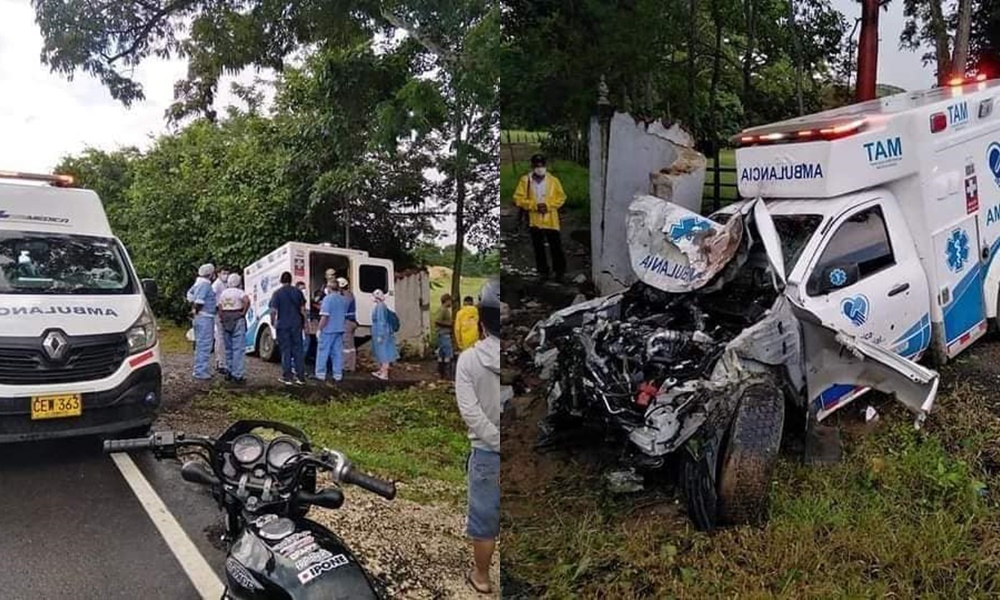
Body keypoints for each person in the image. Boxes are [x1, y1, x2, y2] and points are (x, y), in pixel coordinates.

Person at [455, 279, 504, 595]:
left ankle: (483, 578)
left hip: (486, 453)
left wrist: (496, 441)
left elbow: (470, 412)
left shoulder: (469, 361)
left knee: (485, 520)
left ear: (481, 321)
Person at [513, 153, 567, 283]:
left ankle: (559, 273)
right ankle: (543, 272)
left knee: (556, 247)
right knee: (539, 248)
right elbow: (518, 198)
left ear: (545, 166)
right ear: (532, 166)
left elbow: (562, 197)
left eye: (542, 165)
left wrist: (548, 206)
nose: (539, 168)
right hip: (534, 220)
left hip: (551, 220)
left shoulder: (553, 180)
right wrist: (534, 206)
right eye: (537, 165)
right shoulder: (525, 181)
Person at [269, 271, 307, 385]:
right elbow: (303, 310)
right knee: (298, 350)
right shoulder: (298, 292)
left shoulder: (277, 293)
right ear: (291, 280)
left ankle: (287, 377)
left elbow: (273, 310)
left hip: (283, 325)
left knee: (286, 351)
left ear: (281, 280)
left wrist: (273, 322)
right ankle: (300, 377)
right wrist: (305, 323)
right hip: (296, 324)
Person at [187, 263, 218, 380]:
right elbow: (199, 302)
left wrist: (193, 311)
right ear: (210, 274)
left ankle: (200, 369)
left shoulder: (197, 283)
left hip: (200, 317)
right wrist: (196, 310)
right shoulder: (205, 285)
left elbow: (189, 296)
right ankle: (201, 371)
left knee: (200, 344)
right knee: (205, 345)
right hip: (205, 317)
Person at [315, 280, 351, 382]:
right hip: (339, 329)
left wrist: (319, 329)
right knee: (337, 353)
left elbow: (325, 317)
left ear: (329, 288)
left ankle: (320, 374)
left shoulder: (327, 299)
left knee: (323, 352)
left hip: (328, 330)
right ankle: (338, 375)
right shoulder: (343, 300)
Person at [218, 272, 250, 384]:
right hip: (237, 317)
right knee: (238, 348)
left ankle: (229, 371)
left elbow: (220, 306)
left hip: (226, 318)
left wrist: (221, 317)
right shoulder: (240, 292)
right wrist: (243, 312)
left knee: (228, 348)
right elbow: (247, 300)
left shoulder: (223, 293)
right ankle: (238, 374)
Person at [370, 289, 398, 381]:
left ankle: (384, 373)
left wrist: (380, 335)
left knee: (383, 352)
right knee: (381, 351)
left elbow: (381, 322)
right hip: (381, 331)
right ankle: (381, 370)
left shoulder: (380, 307)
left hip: (382, 332)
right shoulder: (381, 306)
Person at [337, 277, 358, 372]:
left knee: (346, 346)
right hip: (352, 322)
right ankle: (351, 365)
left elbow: (342, 309)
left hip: (347, 322)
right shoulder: (350, 294)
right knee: (351, 346)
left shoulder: (345, 296)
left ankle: (345, 366)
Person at [212, 268, 231, 374]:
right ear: (218, 274)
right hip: (219, 313)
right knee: (220, 338)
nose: (226, 275)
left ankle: (222, 362)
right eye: (224, 273)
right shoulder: (217, 285)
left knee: (221, 338)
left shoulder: (225, 284)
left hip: (224, 313)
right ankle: (220, 363)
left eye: (227, 273)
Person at [435, 294, 455, 379]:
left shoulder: (443, 309)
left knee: (441, 354)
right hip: (444, 334)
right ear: (447, 301)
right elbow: (437, 321)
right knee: (448, 353)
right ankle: (447, 374)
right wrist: (450, 324)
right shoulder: (444, 310)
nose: (451, 303)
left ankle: (441, 373)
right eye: (450, 301)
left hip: (441, 334)